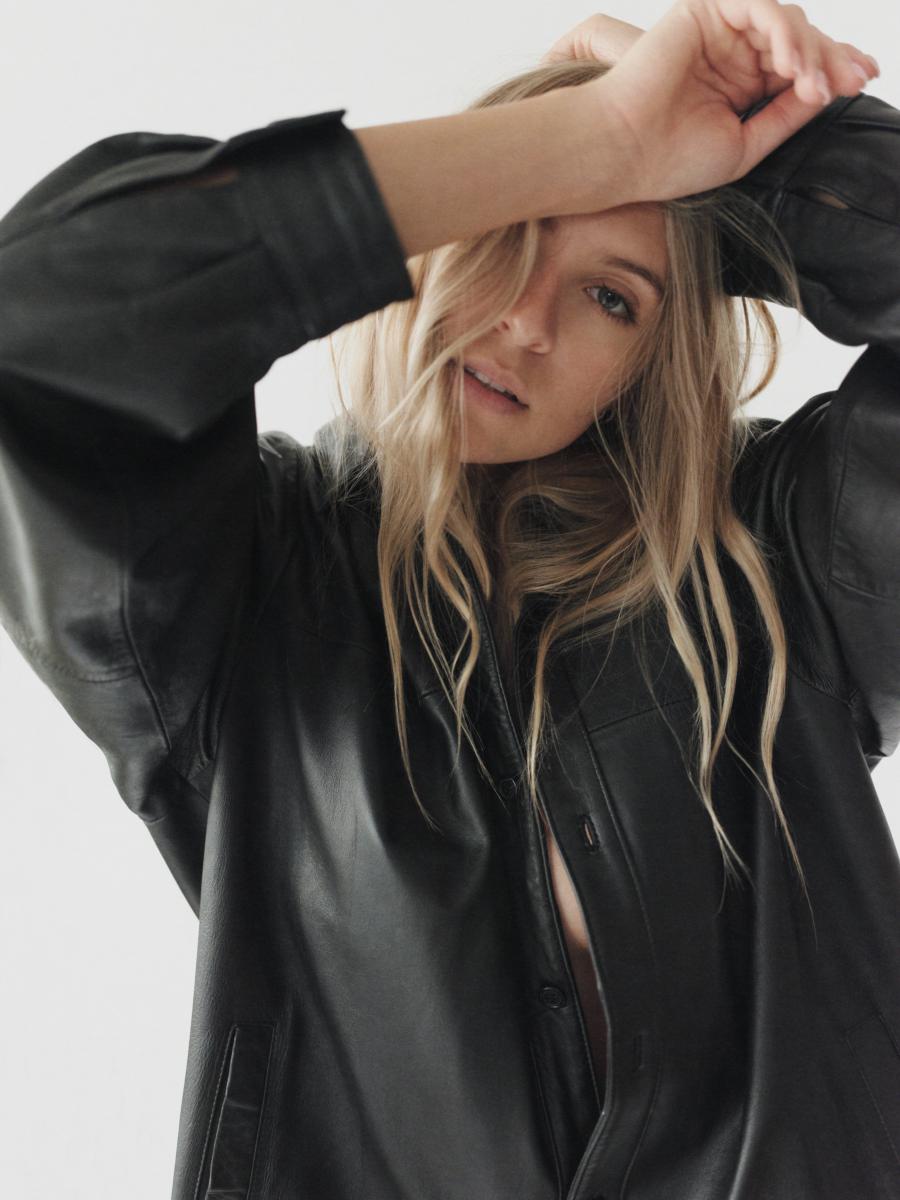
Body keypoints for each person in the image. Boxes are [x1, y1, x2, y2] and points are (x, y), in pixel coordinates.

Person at [0, 0, 897, 1196]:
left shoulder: (777, 563)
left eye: (613, 298)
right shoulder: (238, 597)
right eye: (505, 232)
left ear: (651, 358)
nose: (525, 322)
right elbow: (39, 324)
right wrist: (591, 143)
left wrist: (753, 154)